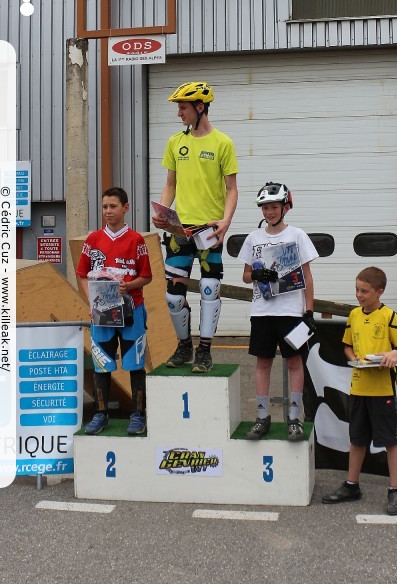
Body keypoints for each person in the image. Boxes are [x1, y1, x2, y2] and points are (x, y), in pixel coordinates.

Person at [152, 81, 238, 373]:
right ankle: (183, 345)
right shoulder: (176, 142)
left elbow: (231, 189)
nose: (179, 112)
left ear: (200, 107)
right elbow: (170, 185)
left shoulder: (222, 143)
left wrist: (226, 221)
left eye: (183, 107)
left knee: (210, 288)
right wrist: (163, 213)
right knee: (173, 296)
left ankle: (205, 350)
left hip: (209, 230)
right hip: (179, 231)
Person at [321, 266, 397, 515]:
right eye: (357, 290)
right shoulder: (354, 316)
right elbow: (348, 347)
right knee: (357, 439)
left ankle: (395, 490)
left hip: (382, 391)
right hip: (358, 388)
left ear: (379, 292)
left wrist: (393, 354)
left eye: (365, 291)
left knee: (390, 441)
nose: (359, 295)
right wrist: (355, 358)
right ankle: (352, 485)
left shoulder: (389, 316)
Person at [238, 182, 318, 442]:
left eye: (273, 207)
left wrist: (309, 310)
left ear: (285, 207)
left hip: (291, 312)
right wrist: (256, 274)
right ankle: (262, 417)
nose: (269, 212)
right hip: (262, 311)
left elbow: (307, 275)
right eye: (265, 208)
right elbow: (246, 276)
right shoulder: (254, 238)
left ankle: (294, 418)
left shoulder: (297, 235)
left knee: (294, 363)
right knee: (263, 363)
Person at [76, 187, 152, 435]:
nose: (108, 211)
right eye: (105, 207)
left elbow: (146, 276)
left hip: (132, 311)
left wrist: (127, 285)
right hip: (103, 313)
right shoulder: (93, 240)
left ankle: (138, 415)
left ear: (125, 208)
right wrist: (92, 303)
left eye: (113, 206)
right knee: (101, 364)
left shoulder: (136, 240)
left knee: (135, 363)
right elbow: (81, 275)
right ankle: (101, 414)